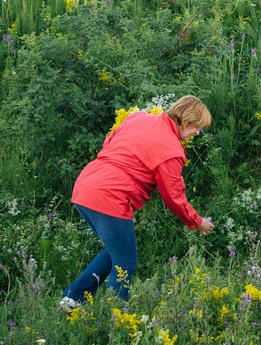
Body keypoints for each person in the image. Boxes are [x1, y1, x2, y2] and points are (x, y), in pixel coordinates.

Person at [59, 96, 214, 309]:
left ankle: (73, 299)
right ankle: (116, 318)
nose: (197, 133)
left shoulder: (138, 118)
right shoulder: (171, 149)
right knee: (125, 260)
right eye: (197, 127)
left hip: (85, 186)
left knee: (116, 251)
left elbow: (109, 143)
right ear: (186, 120)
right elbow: (174, 197)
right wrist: (197, 222)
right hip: (110, 196)